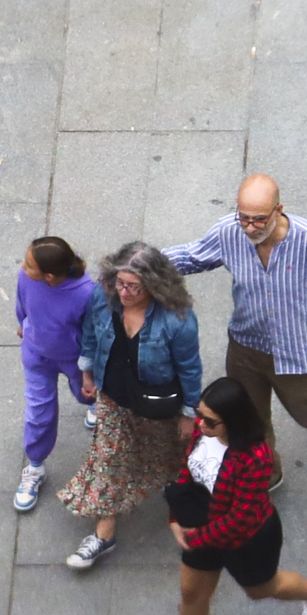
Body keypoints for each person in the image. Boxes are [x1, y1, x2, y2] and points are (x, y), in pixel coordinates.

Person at [144, 376, 307, 615]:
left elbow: (240, 518)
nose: (200, 424)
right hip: (203, 526)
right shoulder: (203, 433)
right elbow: (187, 472)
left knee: (262, 589)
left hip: (247, 538)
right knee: (191, 591)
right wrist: (177, 516)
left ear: (233, 420)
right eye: (199, 414)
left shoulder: (255, 456)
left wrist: (196, 537)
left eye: (210, 420)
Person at [171, 174, 307, 448]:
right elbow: (192, 256)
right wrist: (140, 265)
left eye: (259, 219)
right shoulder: (228, 232)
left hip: (297, 348)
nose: (250, 228)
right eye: (244, 218)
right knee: (250, 421)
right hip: (246, 345)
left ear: (278, 210)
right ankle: (266, 468)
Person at [64, 242, 203, 568]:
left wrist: (189, 413)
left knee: (172, 459)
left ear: (154, 285)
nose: (123, 293)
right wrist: (87, 371)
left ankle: (187, 515)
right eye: (119, 283)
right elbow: (91, 335)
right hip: (114, 397)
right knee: (109, 459)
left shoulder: (177, 319)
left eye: (133, 287)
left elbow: (189, 368)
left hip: (156, 402)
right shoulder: (104, 298)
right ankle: (104, 534)